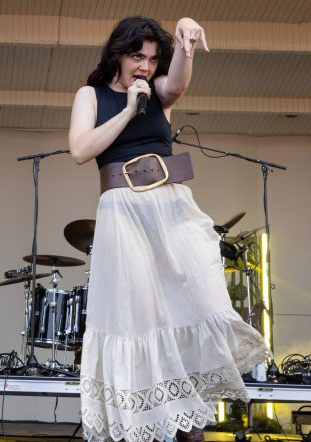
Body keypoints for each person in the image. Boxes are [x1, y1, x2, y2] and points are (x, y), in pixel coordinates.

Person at [68, 16, 268, 442]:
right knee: (138, 316)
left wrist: (185, 41)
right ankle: (150, 422)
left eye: (152, 58)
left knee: (193, 300)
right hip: (123, 211)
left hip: (171, 205)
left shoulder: (159, 92)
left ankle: (190, 422)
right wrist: (126, 110)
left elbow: (175, 85)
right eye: (136, 56)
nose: (144, 66)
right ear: (117, 55)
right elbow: (81, 150)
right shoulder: (92, 94)